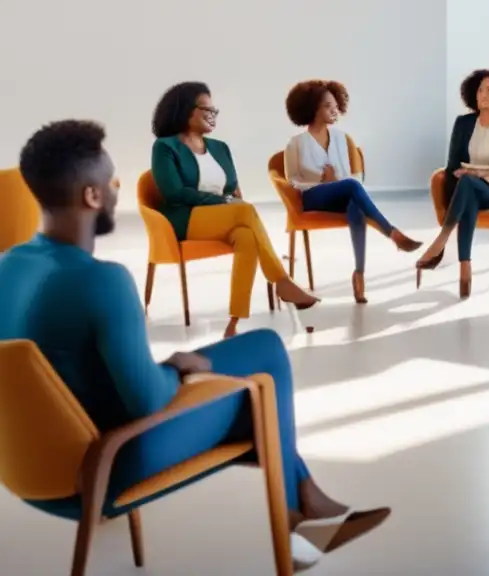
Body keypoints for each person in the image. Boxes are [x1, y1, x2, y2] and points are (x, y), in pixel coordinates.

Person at [0, 120, 390, 570]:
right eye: (112, 181)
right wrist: (178, 366)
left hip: (27, 473)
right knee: (262, 358)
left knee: (256, 397)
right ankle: (299, 513)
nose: (116, 189)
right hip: (104, 471)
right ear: (91, 196)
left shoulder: (8, 266)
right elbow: (148, 400)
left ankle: (308, 504)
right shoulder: (102, 282)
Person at [150, 82, 318, 337]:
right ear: (184, 110)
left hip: (222, 217)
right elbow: (174, 193)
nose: (212, 115)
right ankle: (282, 282)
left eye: (214, 110)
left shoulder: (220, 148)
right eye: (205, 109)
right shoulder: (165, 146)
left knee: (247, 236)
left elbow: (233, 189)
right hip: (185, 219)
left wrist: (231, 203)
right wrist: (225, 203)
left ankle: (234, 322)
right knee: (245, 211)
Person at [283, 79, 421, 303]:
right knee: (352, 187)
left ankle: (359, 275)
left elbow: (354, 177)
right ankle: (391, 232)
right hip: (312, 197)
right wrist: (323, 182)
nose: (334, 110)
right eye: (328, 106)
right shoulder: (295, 143)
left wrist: (336, 181)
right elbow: (292, 181)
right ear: (312, 109)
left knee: (355, 206)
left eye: (336, 105)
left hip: (341, 193)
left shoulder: (342, 138)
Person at [415, 69, 489, 299]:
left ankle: (442, 240)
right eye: (480, 90)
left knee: (469, 183)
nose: (483, 94)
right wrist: (465, 174)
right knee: (467, 187)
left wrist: (488, 176)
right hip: (467, 187)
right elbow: (452, 162)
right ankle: (465, 269)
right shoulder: (463, 123)